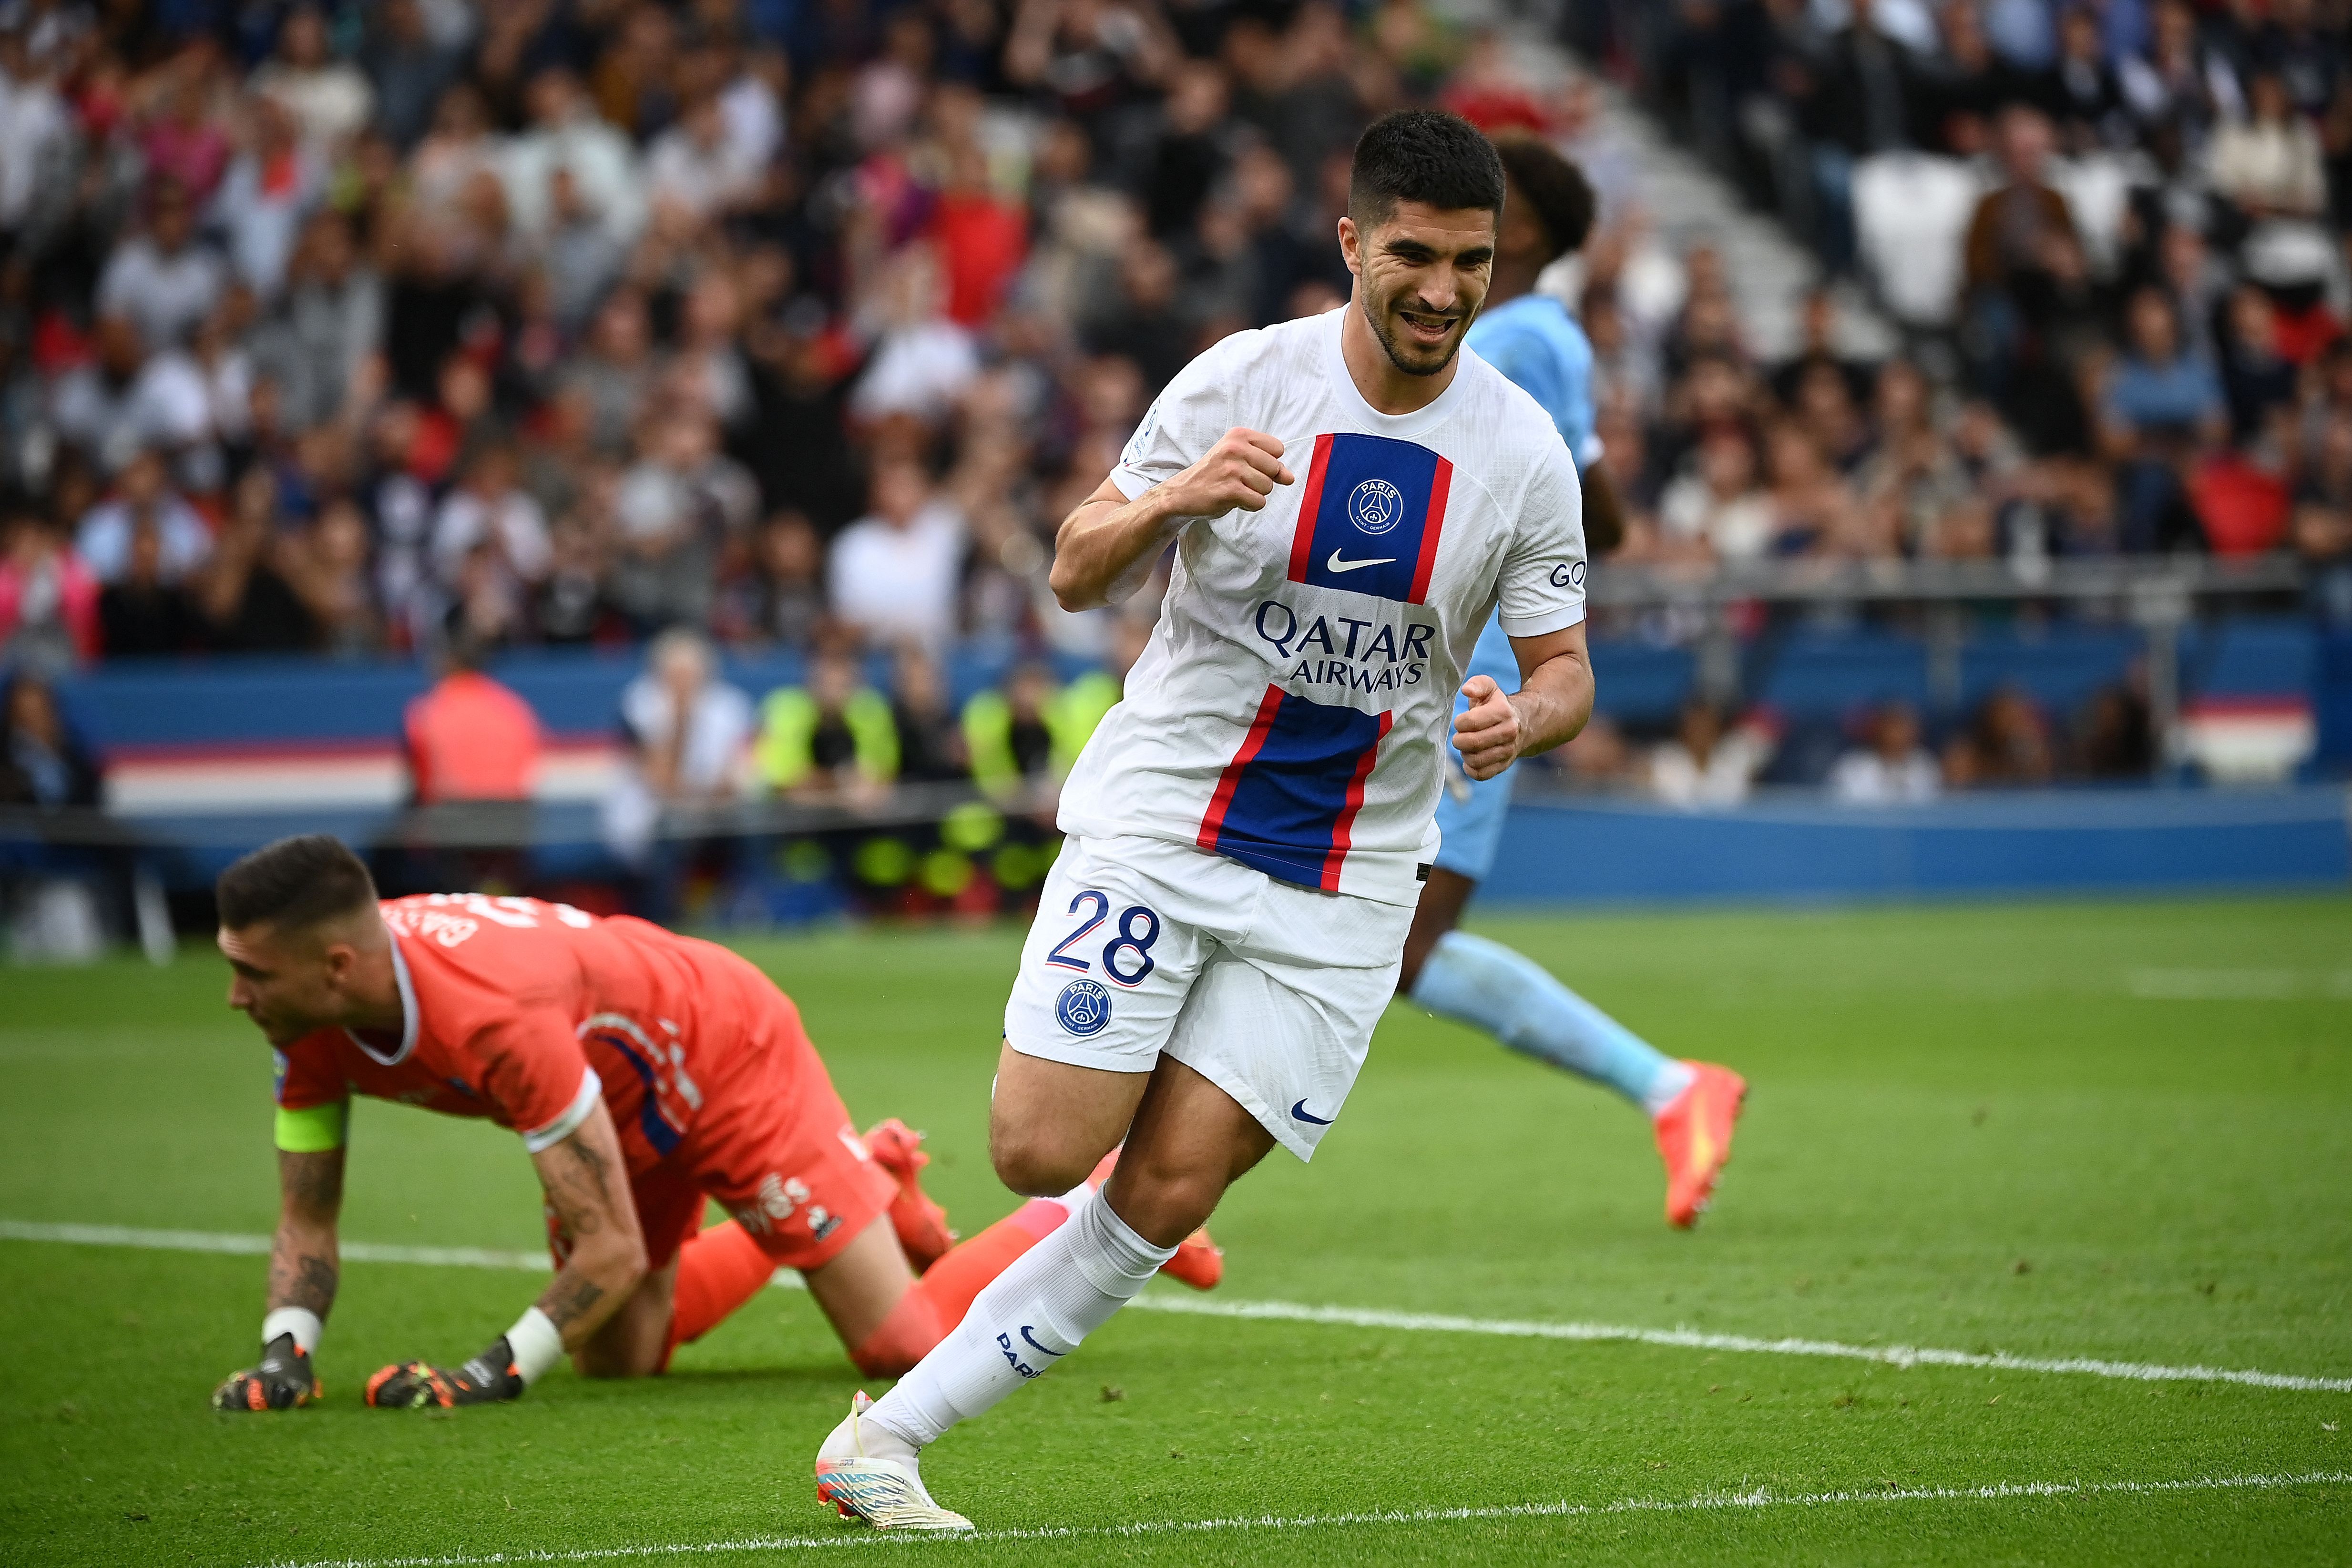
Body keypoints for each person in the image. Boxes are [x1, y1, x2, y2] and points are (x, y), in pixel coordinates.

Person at [811, 109, 1595, 1530]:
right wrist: (1175, 499)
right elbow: (1069, 568)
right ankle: (1129, 1064)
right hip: (1169, 821)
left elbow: (1564, 672)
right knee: (1042, 1152)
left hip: (1352, 874)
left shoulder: (1524, 451)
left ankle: (887, 1441)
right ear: (1351, 242)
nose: (1440, 288)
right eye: (1411, 254)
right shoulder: (1245, 378)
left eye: (1470, 263)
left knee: (1169, 1189)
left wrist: (1518, 717)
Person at [206, 835, 1218, 1415]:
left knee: (901, 1344)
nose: (233, 995)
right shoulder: (309, 1026)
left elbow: (602, 1246)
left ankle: (1082, 1199)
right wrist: (284, 1354)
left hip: (723, 1050)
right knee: (618, 1355)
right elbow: (307, 1215)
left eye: (251, 971)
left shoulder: (492, 1017)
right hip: (612, 1100)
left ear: (336, 967)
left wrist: (489, 1371)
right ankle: (865, 1174)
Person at [1392, 133, 1745, 1233]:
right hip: (1428, 662)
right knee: (1375, 936)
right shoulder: (1507, 333)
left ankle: (1138, 1192)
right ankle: (1672, 1088)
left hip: (1475, 675)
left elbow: (1598, 514)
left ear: (1527, 230)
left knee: (1393, 942)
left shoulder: (1524, 337)